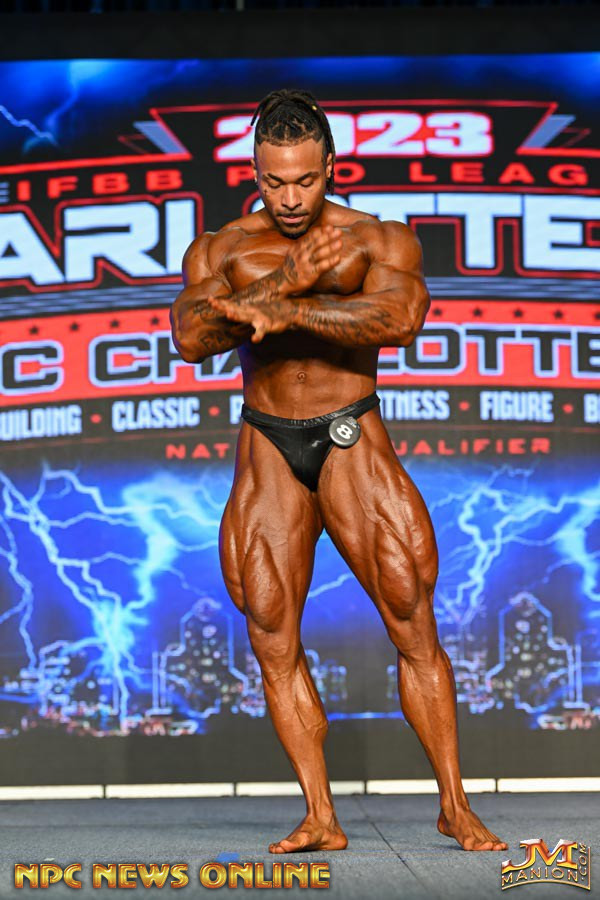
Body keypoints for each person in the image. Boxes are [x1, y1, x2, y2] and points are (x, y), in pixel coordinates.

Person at [170, 88, 507, 855]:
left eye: (304, 180)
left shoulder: (376, 237)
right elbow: (190, 335)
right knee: (270, 630)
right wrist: (281, 282)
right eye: (274, 181)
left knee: (410, 614)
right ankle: (321, 816)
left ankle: (455, 805)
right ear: (254, 171)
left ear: (331, 167)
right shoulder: (222, 247)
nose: (290, 198)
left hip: (351, 432)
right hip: (267, 443)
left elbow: (400, 318)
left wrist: (287, 313)